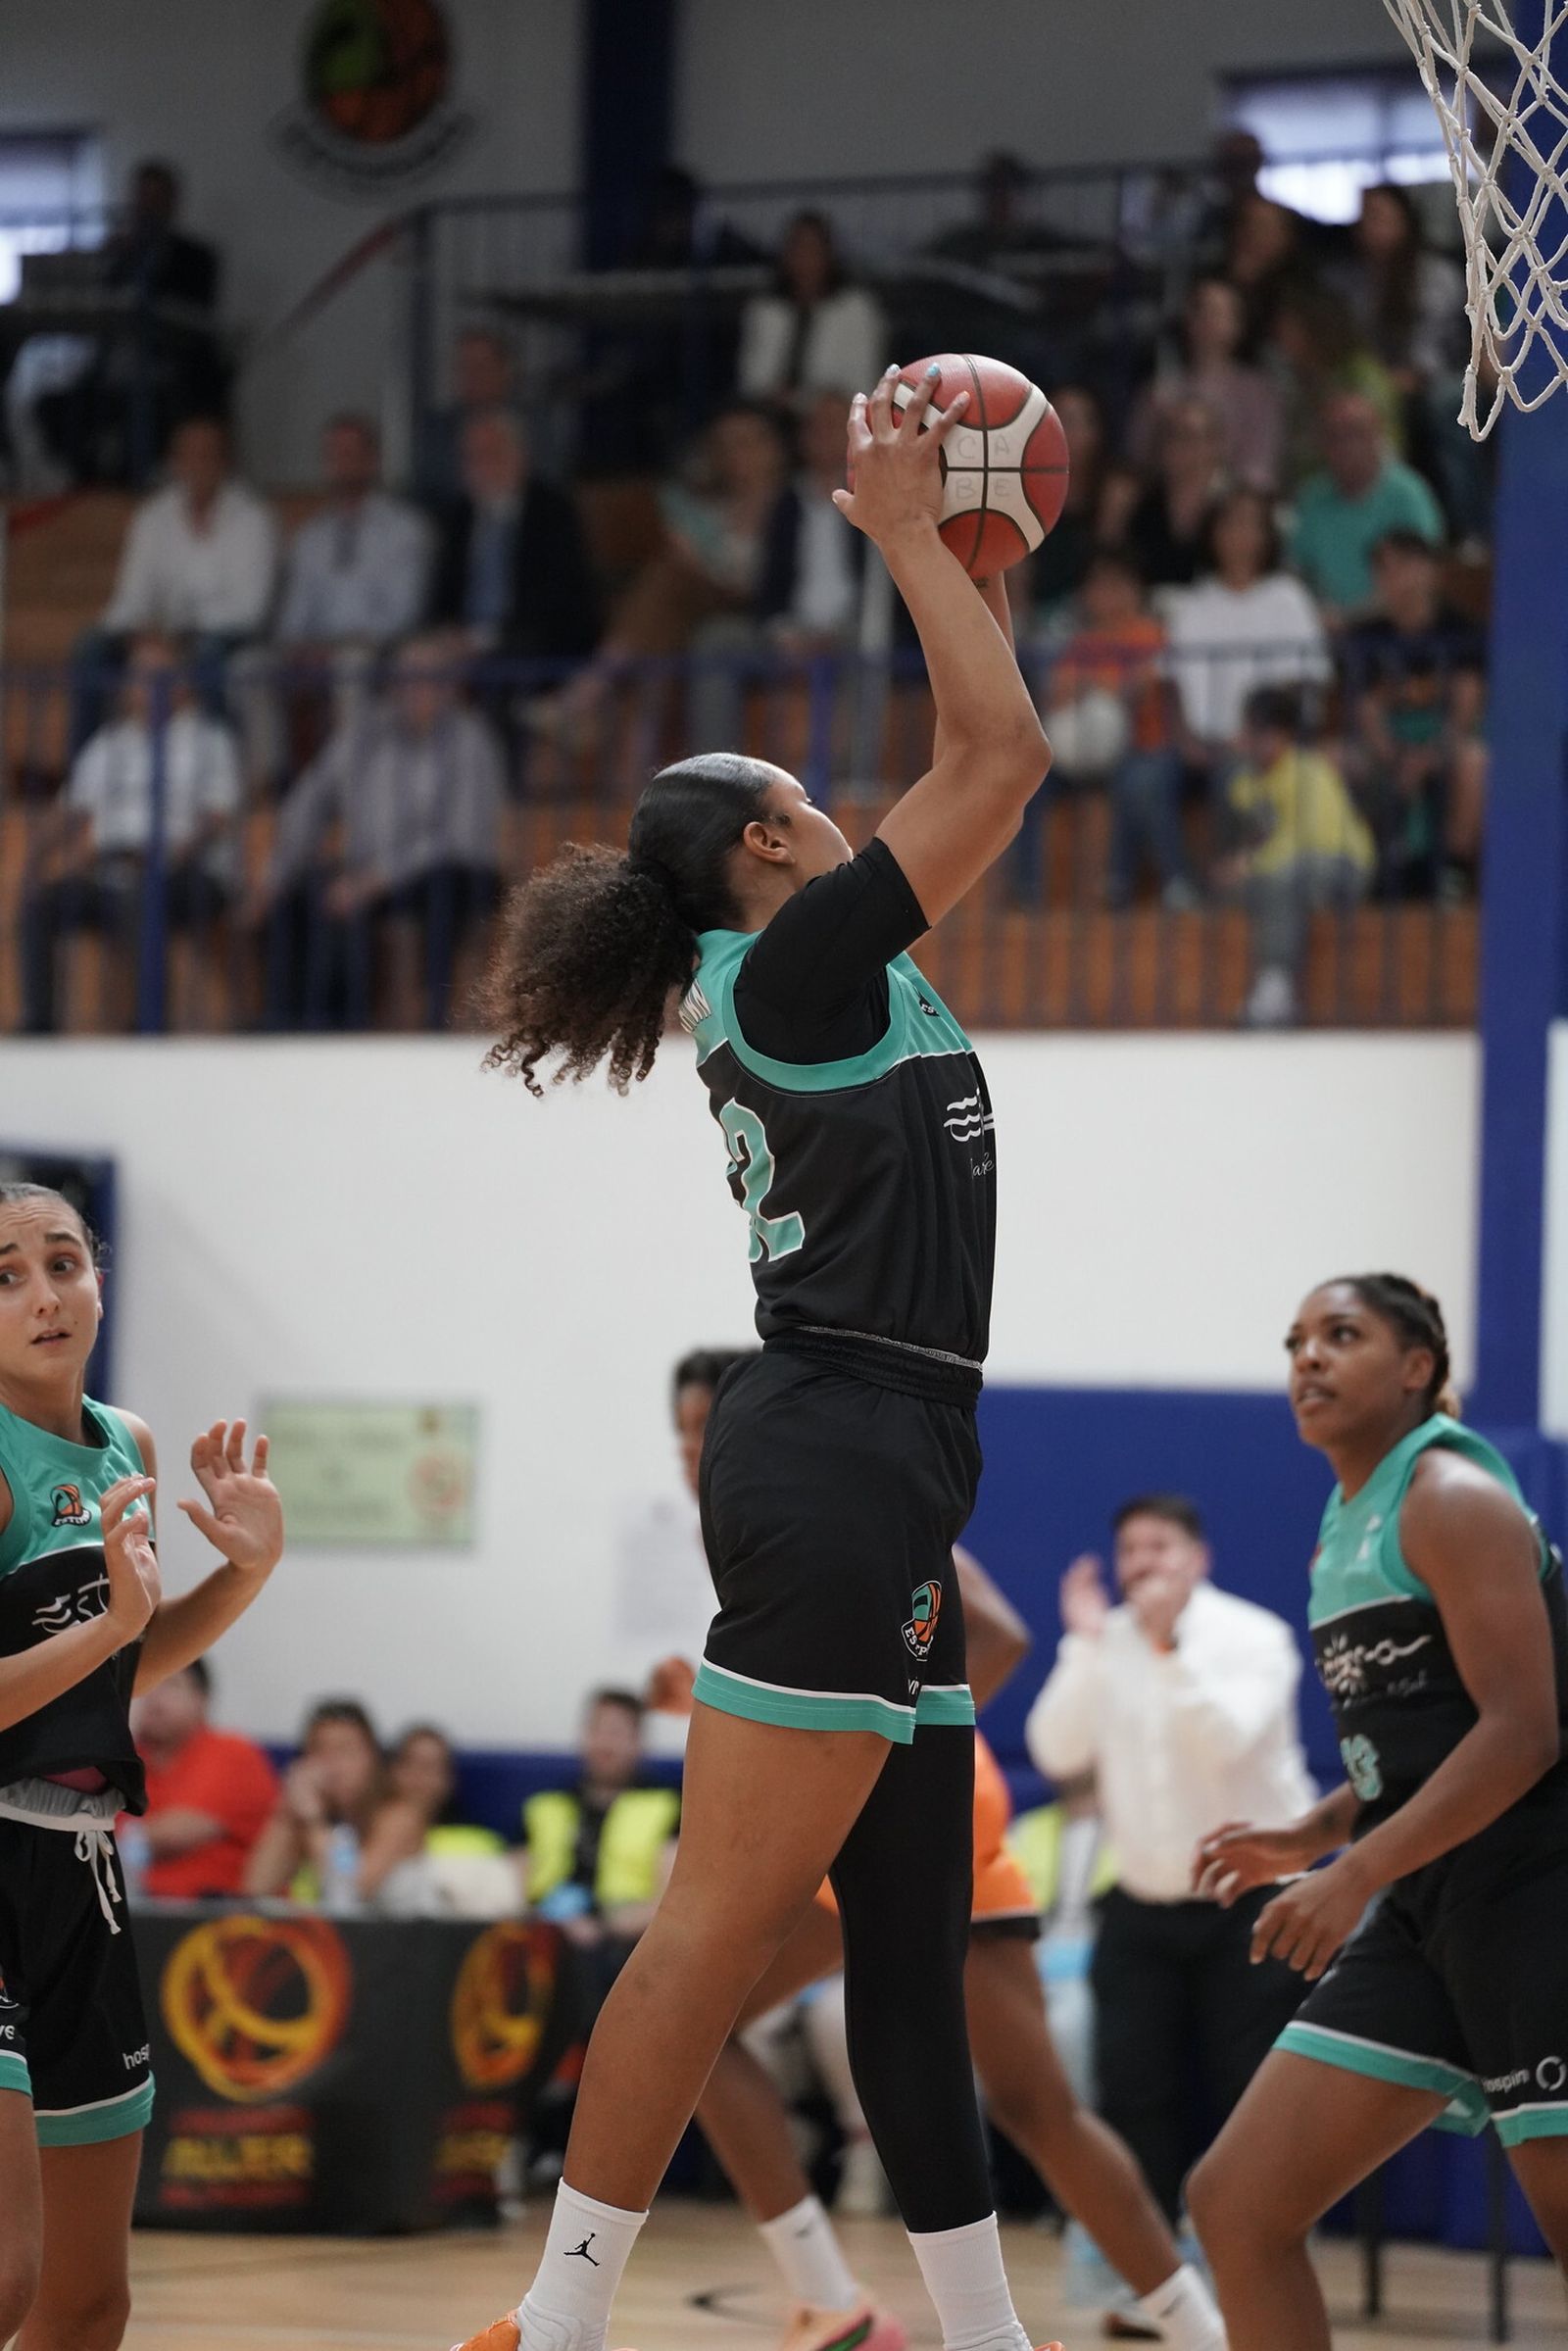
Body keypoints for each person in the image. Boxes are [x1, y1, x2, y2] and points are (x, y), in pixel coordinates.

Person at [452, 364, 1054, 2351]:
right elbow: (1001, 755)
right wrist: (903, 534)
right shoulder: (795, 969)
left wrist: (960, 557)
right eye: (803, 793)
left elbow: (979, 737)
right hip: (831, 1441)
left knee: (901, 1957)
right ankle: (547, 2323)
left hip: (888, 1446)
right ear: (781, 843)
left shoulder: (817, 968)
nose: (833, 799)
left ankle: (982, 2331)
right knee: (711, 1934)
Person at [653, 1354, 1224, 2351]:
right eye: (684, 1432)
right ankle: (1189, 2324)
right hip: (885, 1814)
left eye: (711, 1422)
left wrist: (892, 1744)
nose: (698, 1447)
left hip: (913, 1807)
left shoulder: (833, 1495)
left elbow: (993, 1635)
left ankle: (841, 2297)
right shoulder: (754, 1511)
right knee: (1023, 2102)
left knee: (691, 2022)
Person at [1188, 1275, 1568, 2349]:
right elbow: (1422, 1735)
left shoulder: (1450, 1496)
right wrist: (1317, 1830)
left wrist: (1349, 1873)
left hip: (1538, 1887)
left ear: (1416, 1367)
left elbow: (1520, 1731)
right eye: (1295, 1340)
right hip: (1430, 1897)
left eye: (1340, 1335)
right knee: (1238, 2203)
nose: (1306, 1357)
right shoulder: (1343, 1527)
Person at [0, 1179, 282, 2351]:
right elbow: (108, 1636)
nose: (43, 1294)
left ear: (100, 1277)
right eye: (5, 1276)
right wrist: (111, 1625)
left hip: (83, 1868)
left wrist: (244, 1573)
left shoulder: (130, 1444)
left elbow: (122, 1665)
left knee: (89, 2302)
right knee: (10, 2269)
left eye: (63, 1261)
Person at [1025, 1491, 1315, 2238]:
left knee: (1249, 2093)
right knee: (1130, 2091)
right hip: (1144, 1900)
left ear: (1199, 1558)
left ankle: (1253, 2259)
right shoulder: (1108, 1639)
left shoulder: (1255, 1636)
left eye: (1160, 1547)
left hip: (1252, 1905)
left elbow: (1226, 1739)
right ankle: (1151, 2283)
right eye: (1129, 1550)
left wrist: (1167, 1651)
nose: (1142, 1564)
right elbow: (1055, 1750)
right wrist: (1083, 1645)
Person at [249, 631, 506, 1031]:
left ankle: (431, 1021)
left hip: (447, 868)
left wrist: (376, 880)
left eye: (430, 677)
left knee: (442, 888)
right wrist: (275, 876)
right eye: (407, 677)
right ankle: (293, 1022)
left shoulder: (470, 740)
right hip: (367, 874)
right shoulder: (365, 734)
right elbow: (310, 800)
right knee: (299, 897)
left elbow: (458, 836)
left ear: (451, 685)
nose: (417, 688)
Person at [18, 631, 243, 1036]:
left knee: (143, 895)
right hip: (111, 871)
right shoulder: (108, 743)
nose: (148, 687)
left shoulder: (211, 740)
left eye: (160, 675)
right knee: (43, 904)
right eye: (139, 676)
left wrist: (166, 856)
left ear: (183, 683)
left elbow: (218, 815)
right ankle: (38, 1026)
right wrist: (35, 858)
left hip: (189, 875)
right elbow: (72, 808)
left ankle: (149, 1026)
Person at [70, 416, 277, 753]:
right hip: (161, 635)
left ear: (226, 462)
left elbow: (249, 610)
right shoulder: (152, 518)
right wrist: (135, 630)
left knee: (210, 655)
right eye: (188, 455)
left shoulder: (253, 519)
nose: (197, 465)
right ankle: (84, 773)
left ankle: (215, 770)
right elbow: (131, 595)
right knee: (91, 647)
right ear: (174, 462)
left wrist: (178, 635)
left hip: (225, 638)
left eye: (207, 455)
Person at [1339, 529, 1487, 901]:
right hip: (1387, 749)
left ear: (1432, 572)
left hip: (1444, 744)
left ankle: (1451, 872)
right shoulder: (1364, 637)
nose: (1395, 578)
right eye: (1383, 569)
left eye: (1405, 565)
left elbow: (1466, 707)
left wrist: (1430, 755)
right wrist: (1396, 757)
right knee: (1335, 761)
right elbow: (1366, 711)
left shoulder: (1461, 629)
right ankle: (1353, 874)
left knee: (1474, 762)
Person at [1217, 683, 1374, 1029]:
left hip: (1340, 867)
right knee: (1245, 889)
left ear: (1282, 735)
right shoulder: (1247, 782)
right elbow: (1255, 829)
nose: (1251, 741)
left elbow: (1314, 840)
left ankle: (1276, 993)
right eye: (1248, 731)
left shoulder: (1309, 771)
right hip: (1287, 874)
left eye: (1259, 733)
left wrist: (1249, 863)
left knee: (1284, 878)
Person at [426, 407, 600, 675]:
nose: (479, 467)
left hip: (534, 644)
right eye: (470, 458)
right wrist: (448, 633)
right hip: (462, 647)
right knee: (417, 659)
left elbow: (558, 601)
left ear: (518, 456)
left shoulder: (552, 511)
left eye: (490, 455)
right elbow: (442, 595)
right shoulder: (459, 516)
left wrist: (483, 641)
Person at [243, 1697, 429, 1908]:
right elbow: (256, 1889)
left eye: (345, 1751)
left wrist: (314, 1820)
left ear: (373, 1759)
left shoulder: (401, 1815)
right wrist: (286, 1812)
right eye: (320, 1751)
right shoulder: (309, 1816)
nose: (333, 1766)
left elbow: (354, 1889)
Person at [522, 1690, 680, 1938]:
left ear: (639, 1741)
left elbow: (672, 1901)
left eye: (617, 1732)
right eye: (597, 1729)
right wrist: (556, 1921)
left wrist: (602, 1929)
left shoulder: (669, 1806)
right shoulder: (545, 1805)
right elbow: (517, 1887)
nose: (605, 1743)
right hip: (547, 1935)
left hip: (629, 1939)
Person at [127, 1655, 277, 1899]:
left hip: (220, 1916)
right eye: (147, 1683)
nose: (154, 1697)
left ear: (201, 1700)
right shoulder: (127, 1759)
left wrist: (127, 1837)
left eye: (171, 1685)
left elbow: (176, 1833)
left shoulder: (231, 1752)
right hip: (137, 1908)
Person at [1288, 392, 1445, 622]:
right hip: (1325, 631)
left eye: (1354, 433)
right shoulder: (1311, 498)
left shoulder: (1409, 495)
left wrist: (1350, 619)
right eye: (1333, 436)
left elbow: (1421, 577)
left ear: (1377, 435)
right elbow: (1295, 572)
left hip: (1393, 632)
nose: (1344, 445)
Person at [1129, 277, 1283, 493]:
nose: (1208, 320)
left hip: (1232, 507)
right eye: (1201, 310)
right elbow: (1138, 462)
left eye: (1219, 312)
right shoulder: (1158, 390)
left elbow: (1260, 469)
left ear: (1238, 325)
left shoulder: (1258, 392)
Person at [738, 212, 885, 416]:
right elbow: (751, 381)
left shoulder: (856, 308)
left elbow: (861, 383)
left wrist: (802, 399)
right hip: (771, 416)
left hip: (835, 417)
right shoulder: (764, 309)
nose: (805, 259)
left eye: (813, 249)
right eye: (797, 249)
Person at [1267, 282, 1404, 488]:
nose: (1280, 335)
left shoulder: (1361, 375)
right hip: (1311, 492)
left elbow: (1386, 447)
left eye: (1289, 327)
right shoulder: (1298, 382)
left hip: (1368, 486)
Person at [1100, 397, 1227, 593]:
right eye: (1171, 435)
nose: (1179, 446)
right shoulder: (1139, 505)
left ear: (1215, 445)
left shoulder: (1230, 508)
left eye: (1189, 436)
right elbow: (1109, 568)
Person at [416, 327, 521, 504]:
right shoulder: (435, 431)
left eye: (482, 367)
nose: (473, 376)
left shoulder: (537, 428)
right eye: (465, 367)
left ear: (505, 371)